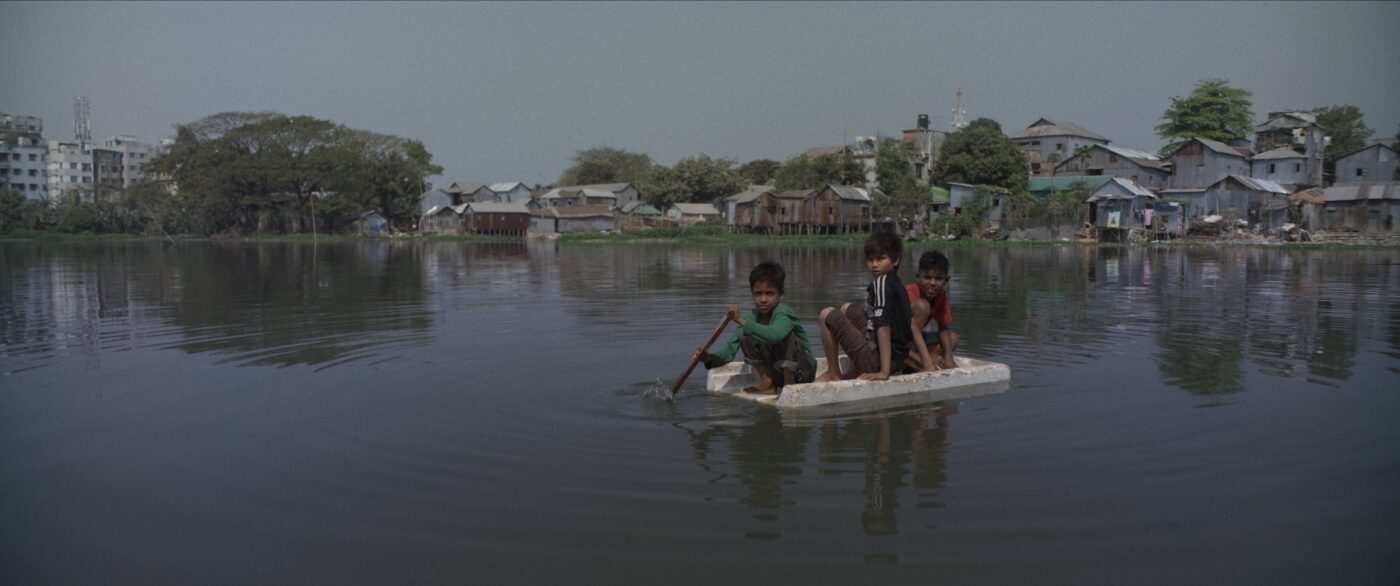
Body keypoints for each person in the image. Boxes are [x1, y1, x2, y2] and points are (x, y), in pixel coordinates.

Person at [815, 231, 933, 382]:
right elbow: (910, 325)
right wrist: (928, 364)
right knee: (847, 308)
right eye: (870, 259)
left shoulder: (882, 283)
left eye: (880, 259)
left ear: (895, 260)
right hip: (896, 359)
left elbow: (884, 327)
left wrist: (884, 372)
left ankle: (834, 373)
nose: (874, 265)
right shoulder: (897, 283)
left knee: (826, 315)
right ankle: (854, 370)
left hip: (877, 361)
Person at [694, 261, 816, 395]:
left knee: (782, 336)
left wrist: (741, 321)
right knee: (744, 334)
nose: (763, 299)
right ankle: (767, 382)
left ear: (781, 294)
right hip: (777, 373)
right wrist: (708, 358)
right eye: (758, 294)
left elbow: (775, 335)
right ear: (752, 294)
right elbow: (729, 352)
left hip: (803, 373)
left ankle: (789, 386)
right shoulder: (751, 317)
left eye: (770, 293)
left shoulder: (784, 312)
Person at [905, 251, 959, 370]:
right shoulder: (908, 293)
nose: (933, 283)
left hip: (915, 342)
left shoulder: (941, 295)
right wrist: (927, 362)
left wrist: (949, 361)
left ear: (946, 280)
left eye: (938, 278)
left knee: (953, 338)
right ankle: (918, 361)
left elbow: (943, 328)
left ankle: (924, 359)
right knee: (922, 306)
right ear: (918, 276)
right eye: (927, 278)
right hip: (898, 344)